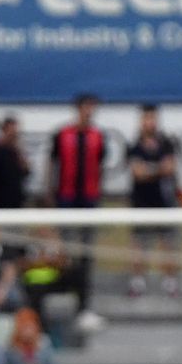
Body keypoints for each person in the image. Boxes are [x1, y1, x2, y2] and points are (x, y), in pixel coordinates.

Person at [48, 94, 109, 329]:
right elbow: (53, 165)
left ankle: (85, 304)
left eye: (92, 107)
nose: (88, 111)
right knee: (67, 253)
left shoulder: (98, 136)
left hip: (89, 199)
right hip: (66, 198)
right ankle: (67, 300)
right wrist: (50, 197)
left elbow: (100, 167)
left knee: (86, 254)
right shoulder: (62, 135)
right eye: (85, 107)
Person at [126, 105, 181, 296]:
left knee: (168, 243)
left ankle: (170, 281)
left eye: (152, 118)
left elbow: (170, 168)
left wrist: (149, 170)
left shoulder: (167, 144)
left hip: (164, 202)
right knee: (139, 244)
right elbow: (137, 173)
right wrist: (158, 169)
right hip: (141, 202)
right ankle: (138, 281)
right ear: (141, 121)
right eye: (146, 119)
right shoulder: (134, 146)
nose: (149, 122)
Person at [0, 114, 29, 212]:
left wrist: (19, 151)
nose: (12, 133)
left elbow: (26, 171)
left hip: (15, 200)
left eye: (15, 131)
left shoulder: (17, 152)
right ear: (4, 130)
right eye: (10, 130)